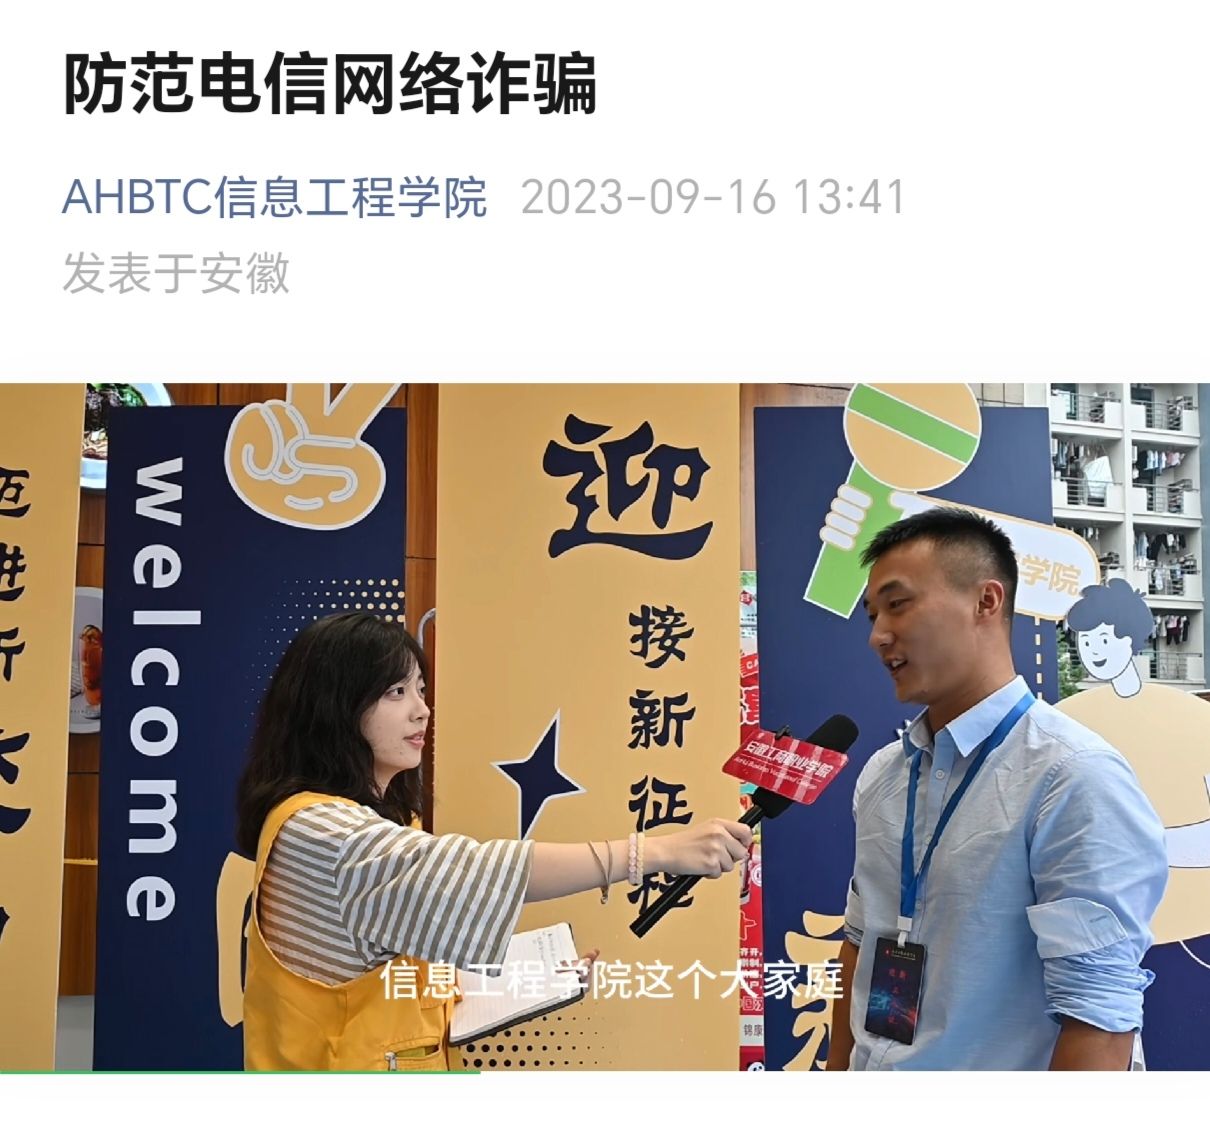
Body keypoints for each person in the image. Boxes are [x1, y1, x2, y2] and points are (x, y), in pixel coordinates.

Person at [236, 611, 752, 1071]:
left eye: (420, 689)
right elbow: (472, 868)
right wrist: (653, 852)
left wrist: (529, 979)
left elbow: (405, 978)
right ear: (333, 707)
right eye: (396, 692)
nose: (421, 710)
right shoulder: (321, 833)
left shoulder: (379, 822)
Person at [825, 507, 1168, 1071]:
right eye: (872, 614)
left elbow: (1098, 1018)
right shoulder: (883, 774)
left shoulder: (1074, 777)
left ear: (986, 601)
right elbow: (859, 944)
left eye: (898, 604)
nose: (878, 635)